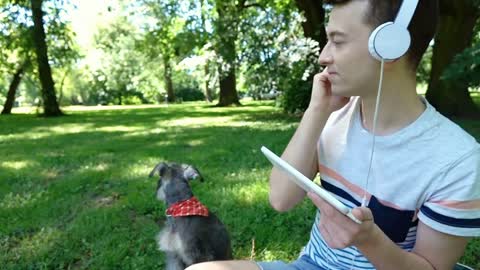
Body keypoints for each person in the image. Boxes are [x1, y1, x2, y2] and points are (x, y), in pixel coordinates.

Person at [186, 0, 480, 269]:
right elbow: (281, 199)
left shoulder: (456, 159)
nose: (323, 57)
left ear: (391, 46)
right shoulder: (333, 116)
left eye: (337, 41)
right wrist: (317, 111)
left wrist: (369, 241)